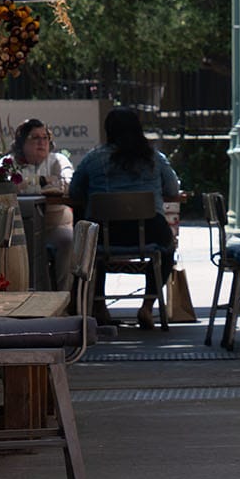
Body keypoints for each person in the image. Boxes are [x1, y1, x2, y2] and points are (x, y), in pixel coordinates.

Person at [67, 109, 178, 327]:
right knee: (167, 249)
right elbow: (173, 189)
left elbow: (74, 192)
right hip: (150, 231)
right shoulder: (155, 158)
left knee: (92, 247)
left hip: (106, 235)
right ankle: (147, 305)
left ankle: (100, 307)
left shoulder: (93, 159)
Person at [10, 117, 76, 280]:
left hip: (54, 225)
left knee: (69, 241)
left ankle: (64, 296)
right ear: (22, 142)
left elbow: (68, 184)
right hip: (21, 228)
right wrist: (42, 181)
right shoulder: (9, 163)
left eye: (45, 137)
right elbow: (8, 186)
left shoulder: (58, 160)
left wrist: (28, 183)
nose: (42, 142)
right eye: (35, 138)